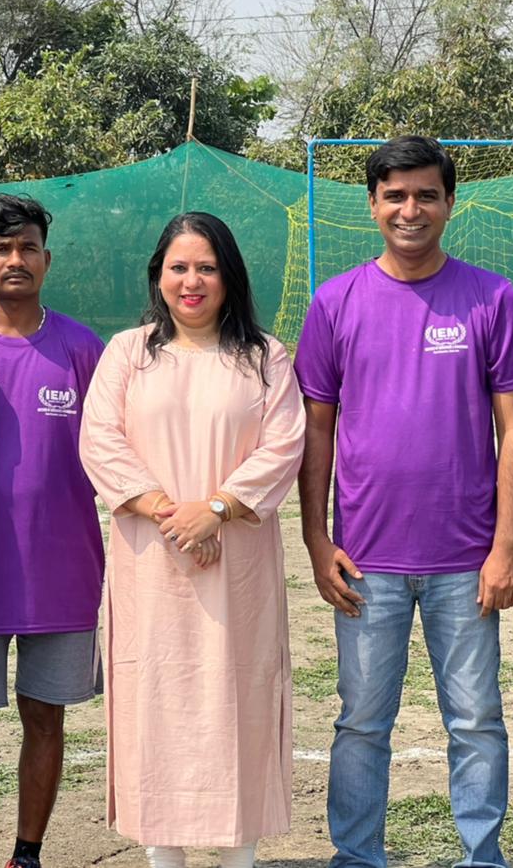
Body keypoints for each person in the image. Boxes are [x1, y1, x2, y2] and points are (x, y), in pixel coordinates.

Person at [294, 135, 513, 868]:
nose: (411, 209)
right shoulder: (334, 301)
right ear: (372, 205)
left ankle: (482, 857)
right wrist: (316, 540)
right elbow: (316, 431)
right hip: (364, 561)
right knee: (362, 723)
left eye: (426, 195)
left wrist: (505, 545)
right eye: (395, 195)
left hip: (466, 560)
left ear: (449, 203)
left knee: (476, 720)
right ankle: (357, 857)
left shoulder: (491, 297)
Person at [79, 211, 304, 868]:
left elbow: (283, 445)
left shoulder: (264, 357)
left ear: (229, 276)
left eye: (206, 267)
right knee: (156, 704)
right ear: (159, 276)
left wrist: (217, 510)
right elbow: (101, 439)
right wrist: (173, 516)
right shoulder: (128, 353)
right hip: (152, 564)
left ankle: (239, 857)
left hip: (238, 567)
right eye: (179, 267)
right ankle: (164, 858)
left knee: (239, 700)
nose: (192, 281)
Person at [0, 194, 105, 868]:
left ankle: (27, 855)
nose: (15, 259)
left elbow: (119, 452)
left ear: (46, 259)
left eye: (27, 247)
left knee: (45, 717)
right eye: (1, 249)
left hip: (63, 572)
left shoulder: (83, 349)